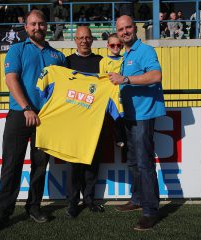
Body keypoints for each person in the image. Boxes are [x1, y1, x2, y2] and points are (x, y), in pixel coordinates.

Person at [0, 9, 66, 234]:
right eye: (33, 24)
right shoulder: (16, 49)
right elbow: (11, 80)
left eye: (41, 24)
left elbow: (65, 89)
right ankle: (2, 214)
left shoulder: (58, 56)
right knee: (11, 166)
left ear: (46, 26)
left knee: (40, 166)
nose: (37, 27)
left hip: (47, 117)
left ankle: (34, 207)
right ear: (26, 27)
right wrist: (28, 108)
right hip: (21, 114)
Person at [108, 15, 165, 230]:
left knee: (144, 162)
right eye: (121, 29)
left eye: (128, 27)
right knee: (133, 161)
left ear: (135, 28)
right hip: (130, 116)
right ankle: (138, 199)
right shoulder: (126, 54)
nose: (124, 32)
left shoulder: (146, 51)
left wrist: (126, 79)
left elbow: (156, 75)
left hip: (144, 115)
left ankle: (150, 211)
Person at [65, 26, 104, 218]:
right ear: (75, 40)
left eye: (87, 37)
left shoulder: (101, 62)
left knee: (92, 163)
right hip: (73, 123)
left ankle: (89, 199)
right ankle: (73, 202)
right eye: (80, 38)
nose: (84, 41)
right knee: (74, 164)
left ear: (92, 39)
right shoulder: (67, 62)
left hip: (94, 123)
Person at [99, 33, 125, 148]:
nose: (115, 47)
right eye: (112, 45)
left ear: (122, 46)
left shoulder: (125, 59)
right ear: (108, 46)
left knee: (123, 118)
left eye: (118, 45)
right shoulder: (103, 61)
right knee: (112, 119)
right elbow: (102, 80)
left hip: (123, 94)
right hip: (109, 96)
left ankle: (123, 138)